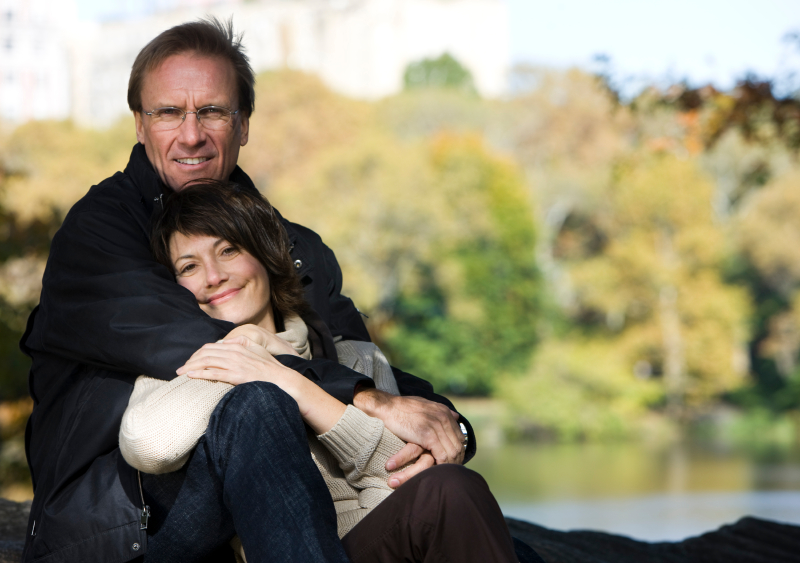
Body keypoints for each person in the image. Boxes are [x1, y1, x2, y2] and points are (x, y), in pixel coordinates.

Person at [20, 17, 473, 563]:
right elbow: (201, 344)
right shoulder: (101, 233)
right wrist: (364, 400)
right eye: (168, 113)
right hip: (131, 527)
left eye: (211, 111)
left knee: (473, 518)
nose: (191, 134)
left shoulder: (291, 244)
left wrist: (447, 425)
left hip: (280, 510)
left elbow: (357, 355)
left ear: (244, 123)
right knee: (254, 404)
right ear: (139, 124)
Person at [118, 180, 534, 563]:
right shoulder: (186, 366)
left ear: (266, 256)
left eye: (228, 250)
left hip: (372, 543)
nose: (213, 276)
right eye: (189, 267)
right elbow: (152, 444)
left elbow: (396, 477)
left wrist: (288, 377)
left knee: (455, 490)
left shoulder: (357, 359)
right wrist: (243, 346)